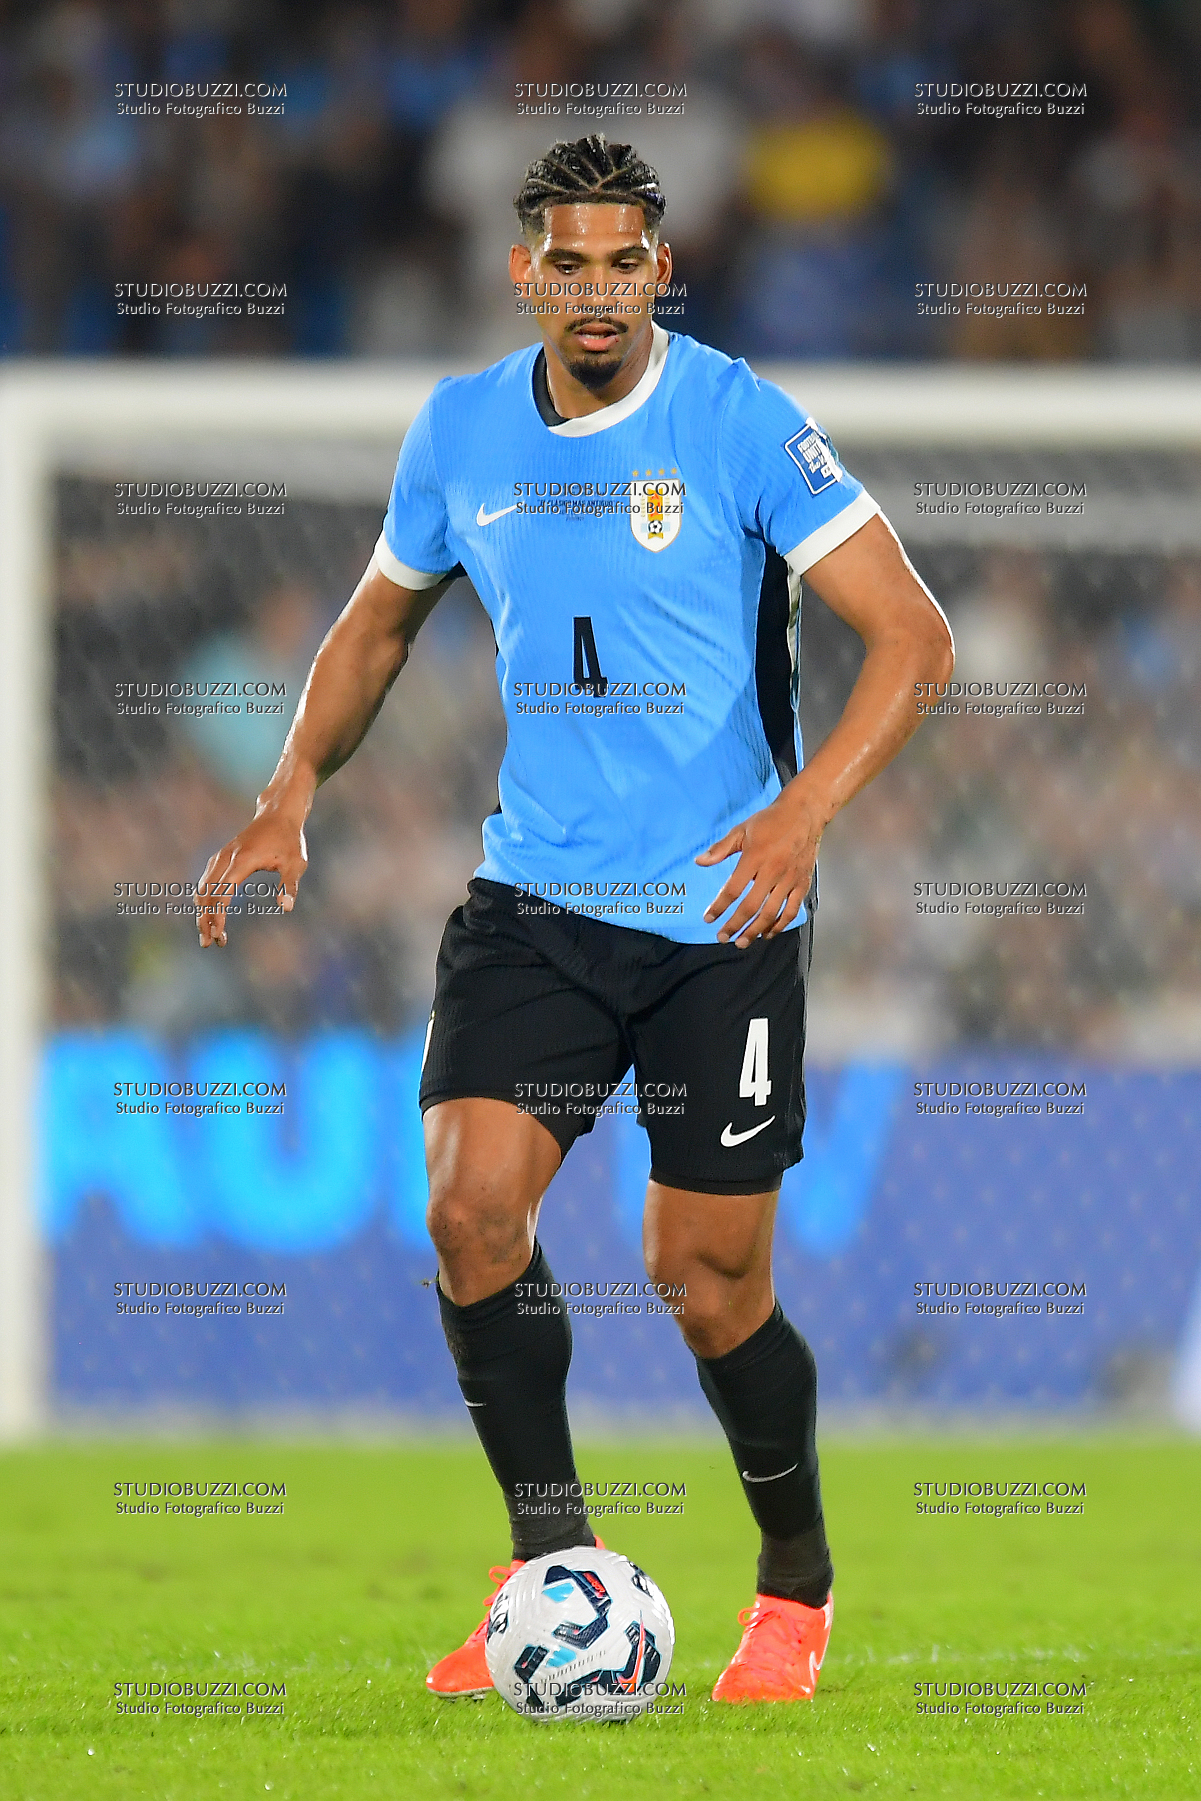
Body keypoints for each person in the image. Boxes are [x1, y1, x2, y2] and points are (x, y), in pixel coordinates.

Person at [197, 133, 954, 1705]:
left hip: (720, 912)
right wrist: (289, 789)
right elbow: (376, 625)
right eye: (568, 262)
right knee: (471, 1214)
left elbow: (916, 637)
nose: (596, 289)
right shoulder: (460, 429)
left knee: (707, 1279)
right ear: (522, 271)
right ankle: (549, 1569)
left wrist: (804, 816)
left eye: (624, 262)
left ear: (661, 270)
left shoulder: (738, 421)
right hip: (536, 900)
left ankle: (794, 1590)